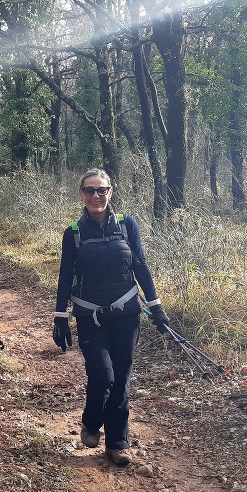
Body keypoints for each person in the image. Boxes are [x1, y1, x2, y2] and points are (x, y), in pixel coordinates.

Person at [52, 169, 170, 466]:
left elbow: (141, 266)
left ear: (111, 192)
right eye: (89, 190)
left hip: (127, 315)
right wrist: (60, 317)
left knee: (121, 380)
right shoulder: (74, 233)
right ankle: (92, 423)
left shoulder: (127, 226)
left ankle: (117, 443)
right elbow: (66, 275)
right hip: (89, 316)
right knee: (102, 376)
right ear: (81, 194)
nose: (96, 196)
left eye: (101, 190)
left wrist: (156, 306)